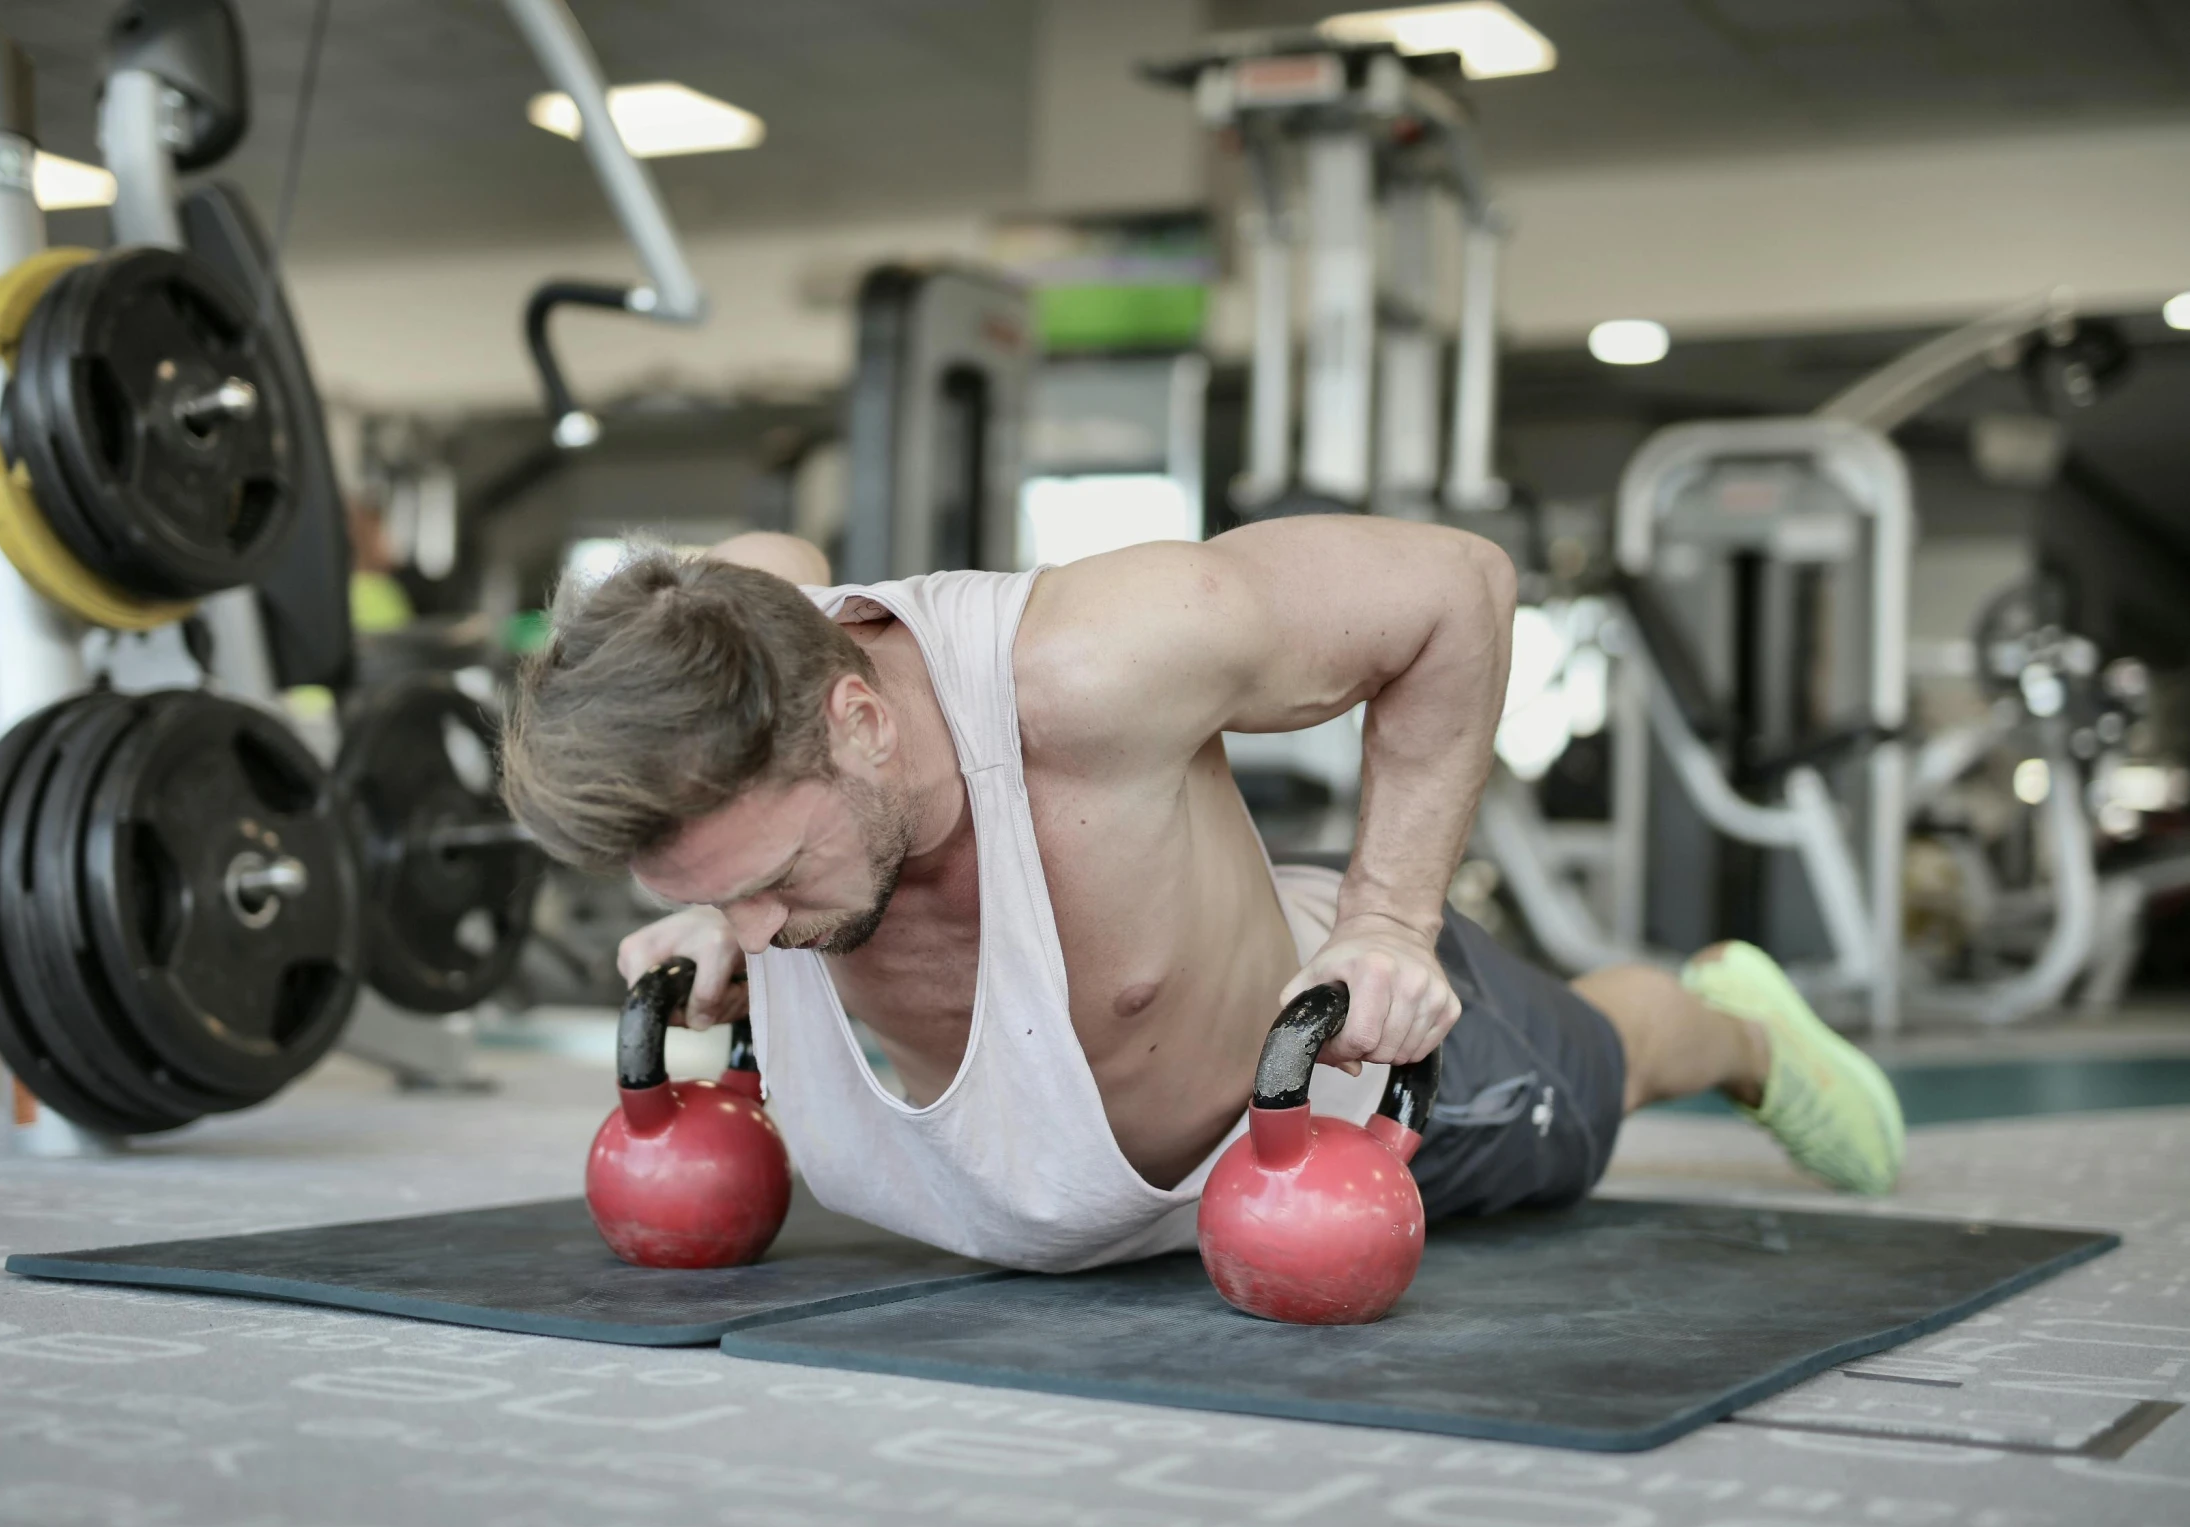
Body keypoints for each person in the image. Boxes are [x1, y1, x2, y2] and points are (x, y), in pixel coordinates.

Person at [501, 520, 1904, 1271]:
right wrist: (720, 899)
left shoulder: (1099, 660)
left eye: (772, 880)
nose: (755, 933)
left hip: (1312, 1094)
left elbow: (1456, 590)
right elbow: (760, 561)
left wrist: (1388, 927)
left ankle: (1735, 1020)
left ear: (861, 721)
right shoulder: (744, 653)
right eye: (716, 897)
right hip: (1063, 1175)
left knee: (1599, 1072)